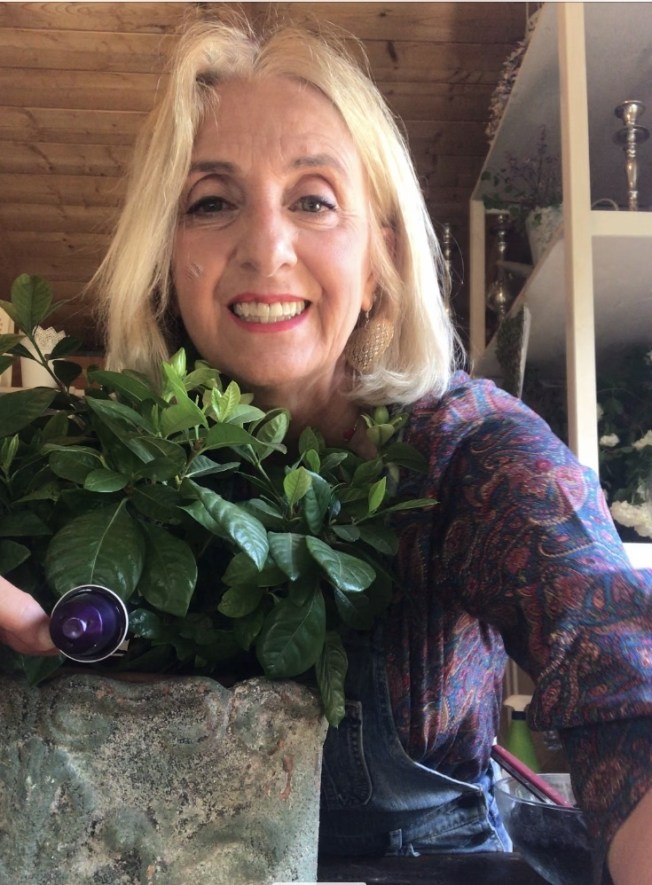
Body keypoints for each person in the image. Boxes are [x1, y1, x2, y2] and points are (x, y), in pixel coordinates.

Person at [2, 13, 650, 885]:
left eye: (312, 199)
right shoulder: (94, 474)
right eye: (211, 202)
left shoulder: (474, 455)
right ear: (162, 257)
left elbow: (623, 680)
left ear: (382, 252)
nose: (266, 248)